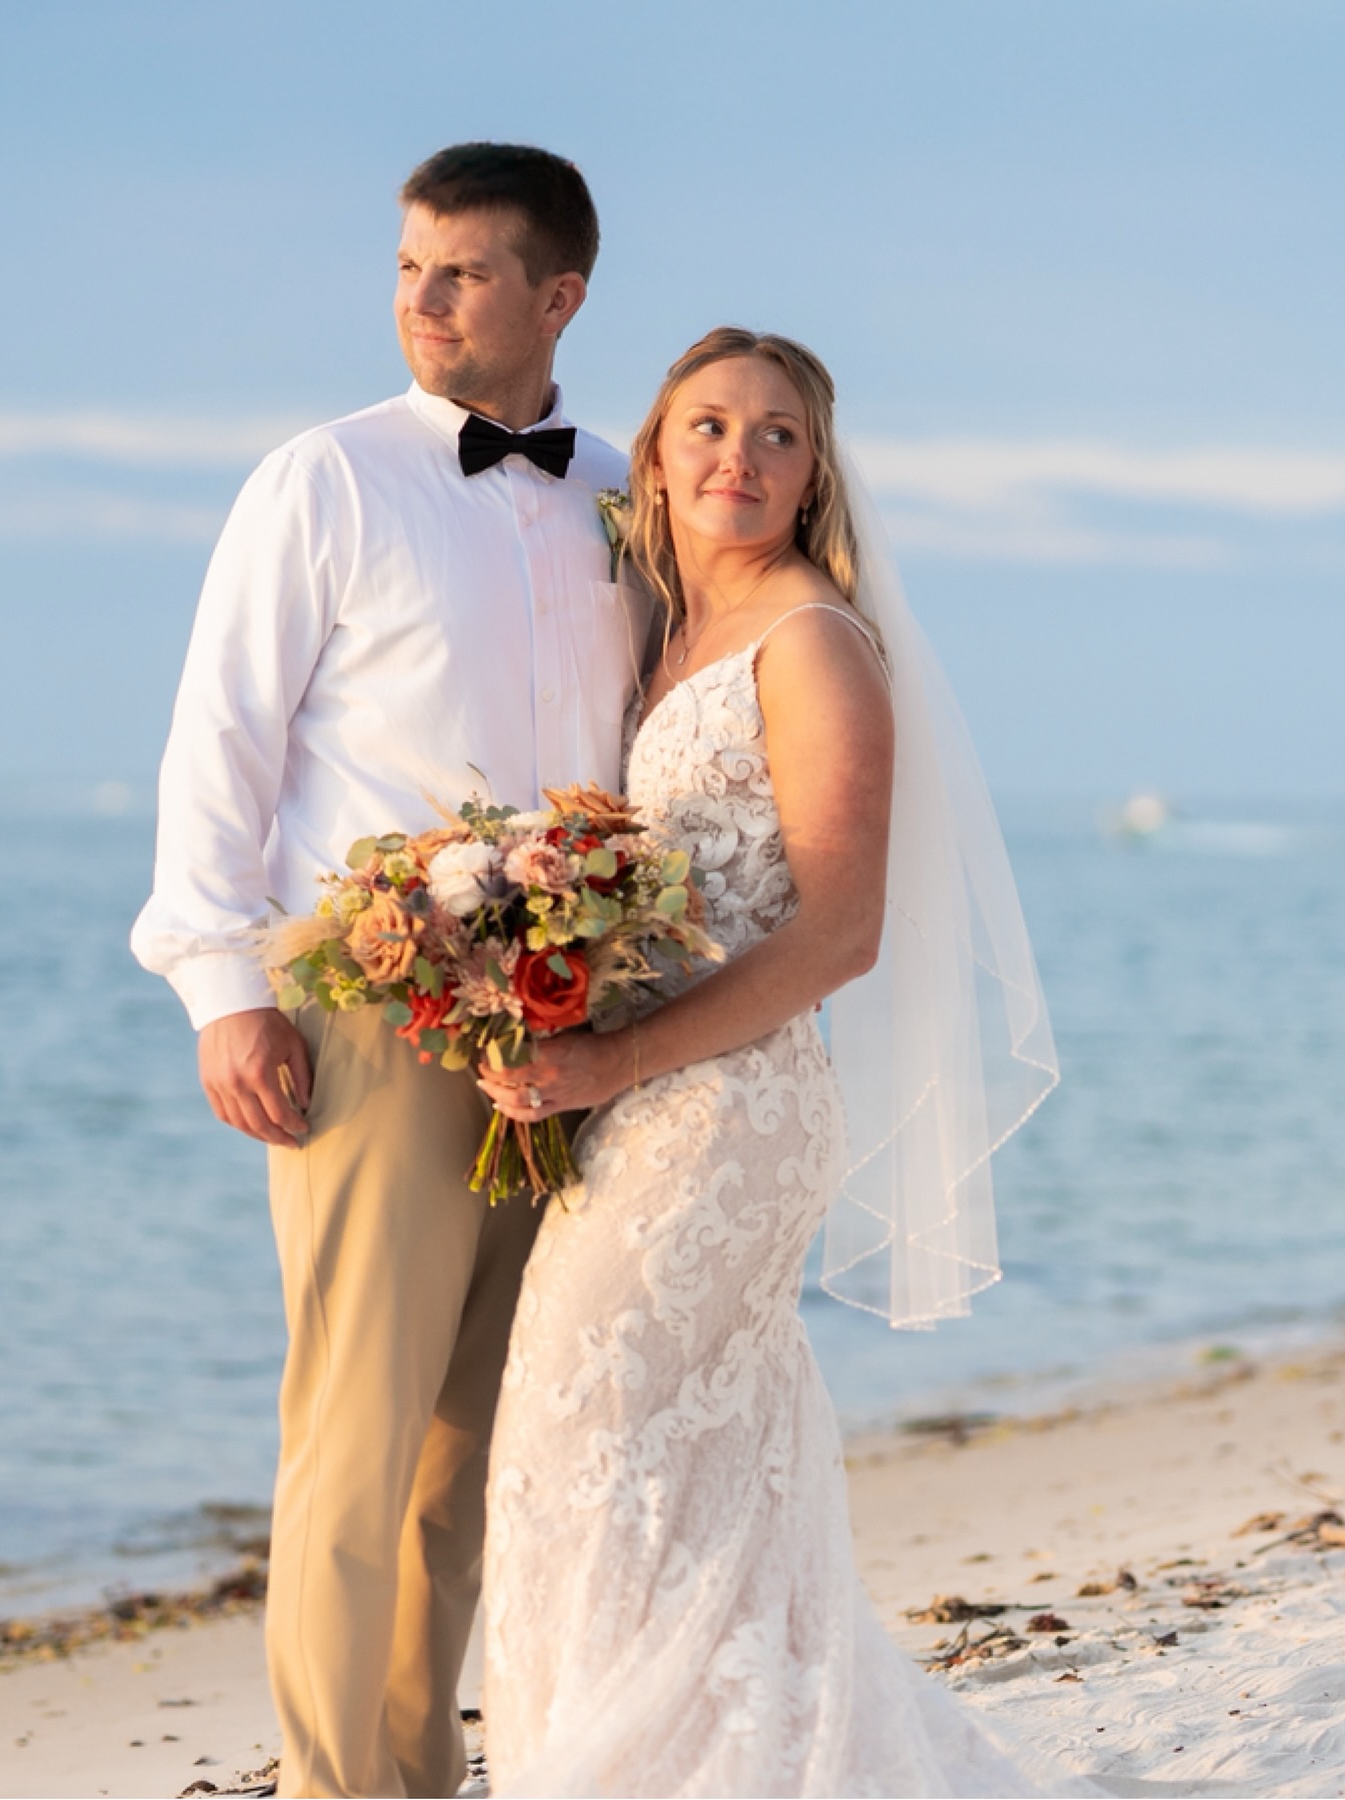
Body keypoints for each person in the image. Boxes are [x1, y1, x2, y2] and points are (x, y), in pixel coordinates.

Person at [477, 328, 1070, 1796]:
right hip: (641, 1090)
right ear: (660, 455)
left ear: (815, 476)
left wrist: (615, 1067)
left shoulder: (812, 645)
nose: (739, 457)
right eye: (709, 427)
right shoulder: (665, 626)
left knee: (599, 1431)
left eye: (778, 435)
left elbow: (841, 934)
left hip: (728, 1112)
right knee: (659, 1457)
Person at [131, 143, 645, 1799]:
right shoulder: (322, 479)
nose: (422, 300)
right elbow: (222, 741)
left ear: (559, 297)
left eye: (465, 272)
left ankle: (420, 1778)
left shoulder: (625, 490)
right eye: (410, 267)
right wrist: (224, 989)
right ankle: (335, 1781)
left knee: (475, 1450)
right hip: (368, 1010)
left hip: (573, 1026)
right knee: (354, 1435)